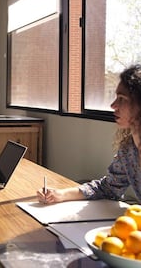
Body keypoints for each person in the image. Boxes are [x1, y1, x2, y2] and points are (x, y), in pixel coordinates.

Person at [37, 65, 141, 204]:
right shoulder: (128, 149)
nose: (113, 105)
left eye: (122, 98)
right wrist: (60, 194)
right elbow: (108, 188)